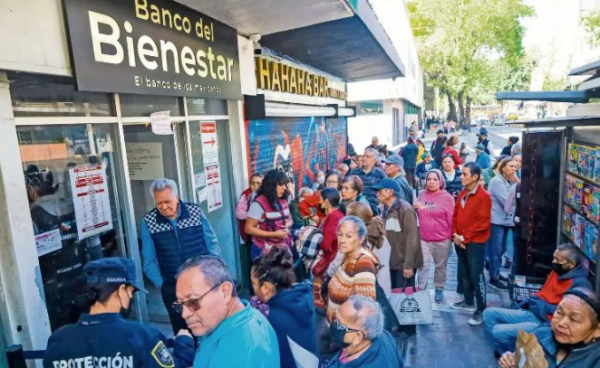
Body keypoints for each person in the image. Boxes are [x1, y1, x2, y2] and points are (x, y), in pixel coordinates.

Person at [43, 257, 195, 368]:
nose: (130, 297)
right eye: (130, 291)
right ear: (122, 290)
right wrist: (184, 343)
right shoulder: (142, 336)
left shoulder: (57, 339)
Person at [141, 178, 220, 334]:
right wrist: (161, 284)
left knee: (208, 324)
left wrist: (213, 273)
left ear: (177, 197)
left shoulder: (195, 212)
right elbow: (148, 260)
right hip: (172, 287)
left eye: (167, 201)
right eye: (158, 203)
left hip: (201, 282)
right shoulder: (149, 221)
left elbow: (212, 244)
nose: (163, 207)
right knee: (182, 331)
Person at [484, 244, 592, 355]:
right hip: (534, 312)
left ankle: (513, 356)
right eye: (554, 258)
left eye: (557, 260)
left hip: (546, 322)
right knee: (488, 314)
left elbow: (566, 312)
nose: (553, 262)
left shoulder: (580, 284)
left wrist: (542, 305)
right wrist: (538, 303)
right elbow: (542, 294)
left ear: (570, 264)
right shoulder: (558, 271)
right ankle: (507, 351)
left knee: (498, 331)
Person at [175, 256, 280, 368]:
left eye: (193, 301)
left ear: (225, 292)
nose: (184, 314)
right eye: (180, 304)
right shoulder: (248, 316)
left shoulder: (239, 353)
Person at [499, 288, 600, 368]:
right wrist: (510, 360)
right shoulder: (540, 335)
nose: (561, 323)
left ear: (597, 330)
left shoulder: (595, 361)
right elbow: (519, 359)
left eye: (574, 319)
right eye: (559, 312)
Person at [251, 247, 317, 368]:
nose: (253, 289)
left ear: (265, 287)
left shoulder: (271, 319)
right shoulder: (303, 296)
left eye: (253, 284)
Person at [451, 162, 491, 326]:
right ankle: (468, 301)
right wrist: (455, 234)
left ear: (475, 177)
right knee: (464, 273)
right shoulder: (462, 193)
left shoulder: (484, 197)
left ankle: (481, 309)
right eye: (461, 174)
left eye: (464, 174)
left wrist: (463, 237)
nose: (461, 177)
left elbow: (482, 223)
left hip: (474, 243)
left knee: (476, 276)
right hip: (460, 240)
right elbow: (455, 215)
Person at [325, 296, 404, 368]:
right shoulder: (384, 335)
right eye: (336, 316)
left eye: (339, 323)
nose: (333, 323)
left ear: (357, 337)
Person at [326, 216, 379, 322]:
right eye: (340, 235)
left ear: (361, 239)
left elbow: (365, 309)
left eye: (349, 236)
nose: (341, 240)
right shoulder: (348, 256)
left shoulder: (363, 264)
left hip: (348, 332)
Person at [373, 179, 422, 291]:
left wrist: (408, 265)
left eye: (379, 191)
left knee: (402, 298)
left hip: (401, 265)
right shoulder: (386, 209)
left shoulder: (405, 209)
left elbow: (412, 238)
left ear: (389, 192)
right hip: (391, 263)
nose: (377, 194)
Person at [414, 170, 455, 302]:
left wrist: (450, 237)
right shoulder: (421, 195)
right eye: (429, 179)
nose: (431, 182)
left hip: (441, 240)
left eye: (435, 179)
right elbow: (414, 214)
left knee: (440, 266)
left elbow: (452, 219)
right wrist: (413, 207)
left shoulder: (447, 197)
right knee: (423, 265)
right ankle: (421, 289)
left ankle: (439, 288)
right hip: (423, 238)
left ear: (441, 181)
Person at [487, 158, 520, 290]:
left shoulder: (508, 181)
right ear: (503, 167)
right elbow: (508, 203)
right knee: (496, 250)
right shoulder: (497, 182)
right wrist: (518, 184)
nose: (514, 169)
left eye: (515, 167)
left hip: (506, 221)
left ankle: (496, 273)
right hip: (497, 221)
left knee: (502, 249)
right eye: (511, 166)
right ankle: (493, 278)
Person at [245, 169, 292, 260]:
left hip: (281, 250)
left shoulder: (283, 200)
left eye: (285, 185)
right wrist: (273, 234)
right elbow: (249, 229)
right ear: (271, 185)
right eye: (280, 184)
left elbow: (289, 219)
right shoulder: (258, 204)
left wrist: (287, 225)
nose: (284, 188)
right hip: (263, 253)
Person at [346, 202, 392, 295]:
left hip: (367, 286)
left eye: (347, 216)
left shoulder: (360, 240)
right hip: (383, 284)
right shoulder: (380, 233)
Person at [313, 188, 345, 279]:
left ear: (326, 202)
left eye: (320, 199)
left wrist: (318, 241)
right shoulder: (338, 214)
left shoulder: (332, 218)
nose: (319, 201)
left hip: (331, 259)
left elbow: (326, 245)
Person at [236, 173, 263, 261]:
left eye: (258, 183)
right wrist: (252, 215)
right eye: (253, 183)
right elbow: (239, 213)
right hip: (251, 233)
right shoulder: (246, 195)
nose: (255, 185)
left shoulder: (266, 194)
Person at [350, 148, 386, 215]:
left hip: (374, 210)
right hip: (357, 209)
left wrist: (381, 204)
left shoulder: (380, 174)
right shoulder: (354, 172)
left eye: (368, 157)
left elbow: (385, 190)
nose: (364, 158)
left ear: (374, 160)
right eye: (364, 156)